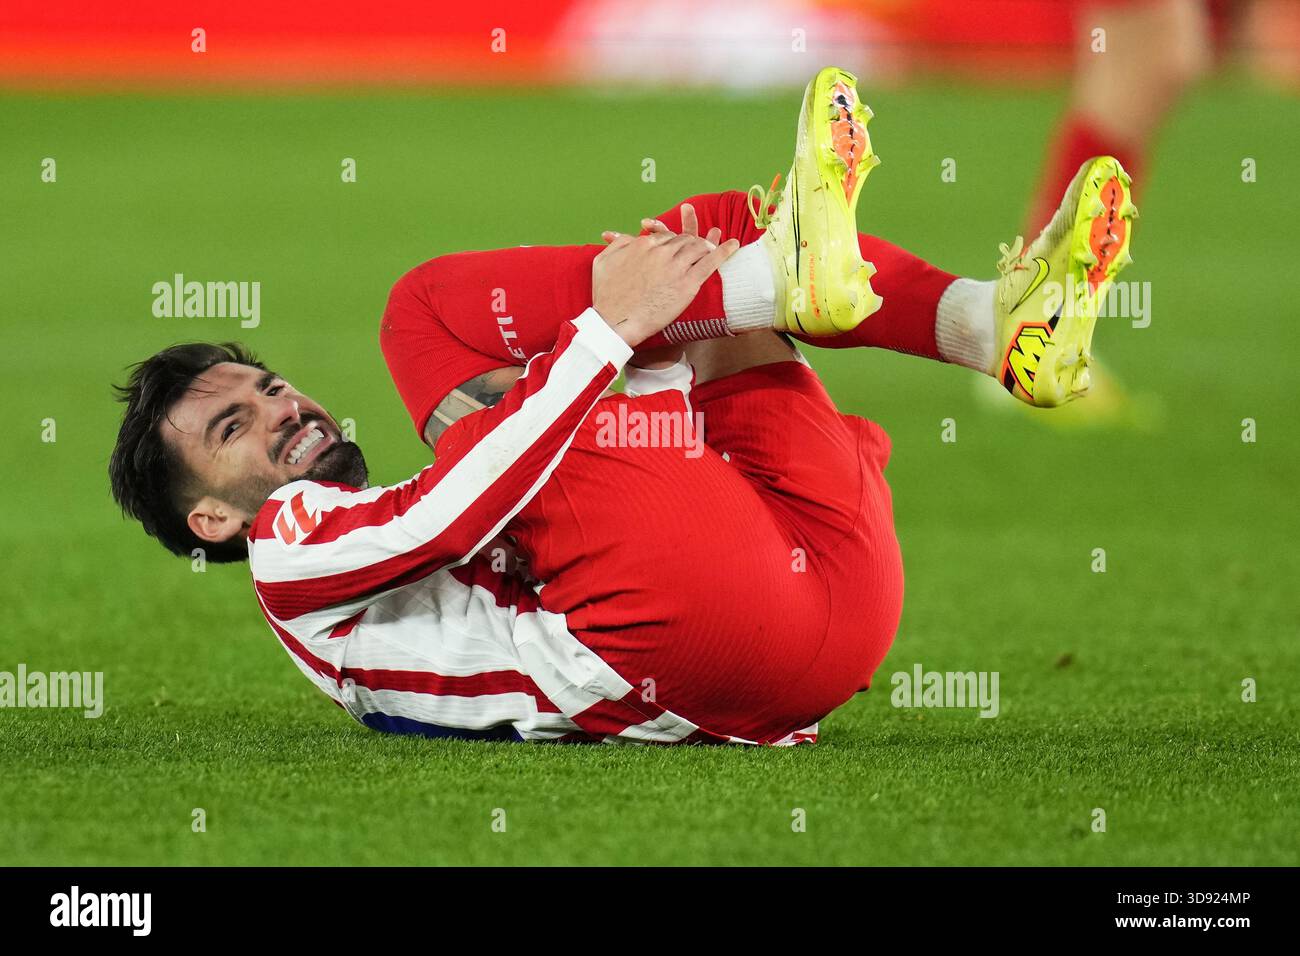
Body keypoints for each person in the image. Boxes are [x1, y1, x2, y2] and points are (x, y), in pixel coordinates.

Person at [109, 68, 1136, 744]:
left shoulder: (365, 543)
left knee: (724, 239)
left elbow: (461, 508)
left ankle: (992, 328)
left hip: (810, 636)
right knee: (424, 311)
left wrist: (639, 319)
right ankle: (796, 289)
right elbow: (453, 514)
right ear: (208, 519)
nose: (281, 405)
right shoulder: (289, 552)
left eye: (268, 384)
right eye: (233, 425)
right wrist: (607, 329)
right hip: (682, 631)